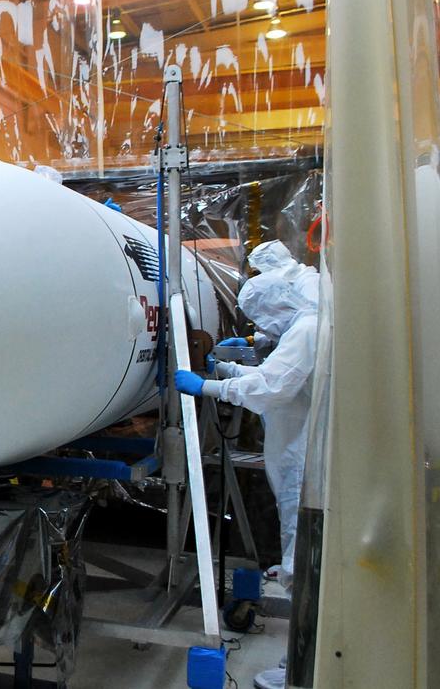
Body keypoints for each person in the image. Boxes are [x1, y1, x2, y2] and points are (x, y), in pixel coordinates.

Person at [174, 268, 318, 689]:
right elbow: (275, 378)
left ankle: (302, 668)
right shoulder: (305, 325)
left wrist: (208, 388)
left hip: (302, 465)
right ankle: (303, 660)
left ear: (277, 303)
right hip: (296, 457)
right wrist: (225, 371)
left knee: (302, 562)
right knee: (302, 557)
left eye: (261, 316)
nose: (260, 327)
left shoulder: (306, 329)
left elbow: (272, 389)